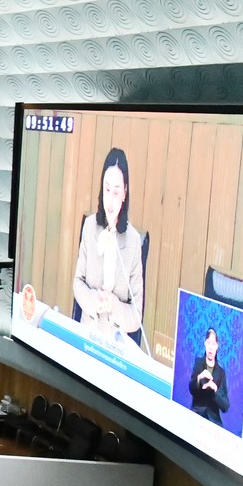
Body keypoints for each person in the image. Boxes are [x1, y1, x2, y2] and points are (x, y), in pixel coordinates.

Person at [72, 146, 145, 344]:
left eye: (116, 192)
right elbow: (78, 282)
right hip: (86, 336)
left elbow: (136, 316)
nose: (110, 200)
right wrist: (93, 300)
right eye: (106, 190)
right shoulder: (90, 227)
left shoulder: (133, 242)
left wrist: (113, 305)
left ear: (125, 193)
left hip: (115, 347)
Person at [190, 326, 232, 426]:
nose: (210, 347)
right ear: (205, 343)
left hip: (214, 421)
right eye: (208, 343)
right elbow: (191, 389)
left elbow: (225, 406)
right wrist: (199, 378)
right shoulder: (199, 363)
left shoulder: (221, 372)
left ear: (217, 346)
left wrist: (215, 390)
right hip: (197, 415)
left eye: (213, 344)